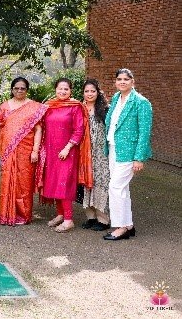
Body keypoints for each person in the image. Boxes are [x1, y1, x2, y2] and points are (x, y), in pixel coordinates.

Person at [103, 68, 152, 241]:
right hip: (113, 148)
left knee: (115, 187)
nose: (122, 82)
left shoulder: (141, 102)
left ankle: (121, 227)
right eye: (119, 79)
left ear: (133, 82)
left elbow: (144, 132)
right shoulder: (116, 98)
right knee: (122, 188)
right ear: (116, 82)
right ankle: (128, 225)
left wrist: (139, 158)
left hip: (129, 152)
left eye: (126, 79)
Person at [38, 78, 93, 233]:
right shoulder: (49, 106)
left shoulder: (75, 107)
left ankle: (69, 220)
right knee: (54, 182)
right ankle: (60, 214)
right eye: (60, 88)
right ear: (55, 89)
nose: (63, 91)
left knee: (64, 183)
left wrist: (67, 148)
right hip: (51, 151)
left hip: (68, 152)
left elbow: (79, 130)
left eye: (66, 89)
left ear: (71, 91)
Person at [0, 77, 46, 226]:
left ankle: (23, 215)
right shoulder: (4, 106)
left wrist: (35, 150)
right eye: (16, 88)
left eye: (22, 88)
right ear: (12, 89)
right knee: (7, 180)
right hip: (7, 150)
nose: (19, 90)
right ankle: (6, 213)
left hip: (26, 151)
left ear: (27, 90)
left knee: (24, 183)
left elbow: (38, 129)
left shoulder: (34, 107)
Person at [81, 79, 112, 231]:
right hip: (84, 153)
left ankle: (103, 219)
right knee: (87, 183)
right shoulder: (79, 108)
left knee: (101, 183)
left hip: (101, 155)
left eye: (92, 91)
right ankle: (91, 217)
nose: (89, 94)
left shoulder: (106, 109)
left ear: (98, 92)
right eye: (86, 91)